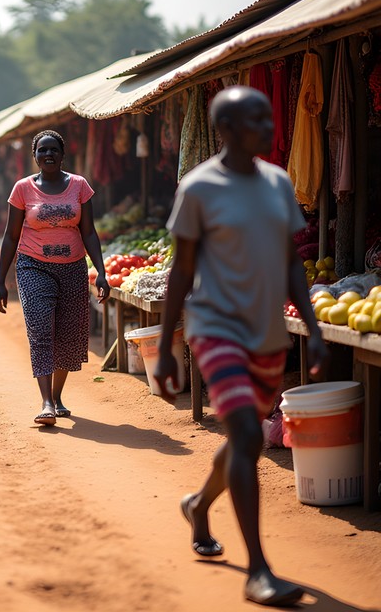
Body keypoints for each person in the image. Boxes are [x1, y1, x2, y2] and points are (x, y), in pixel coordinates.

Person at [154, 86, 326, 608]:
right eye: (256, 120)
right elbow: (182, 269)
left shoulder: (277, 182)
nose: (269, 127)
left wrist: (314, 328)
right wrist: (166, 345)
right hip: (216, 327)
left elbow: (292, 263)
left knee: (244, 439)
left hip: (267, 330)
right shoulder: (200, 188)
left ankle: (198, 505)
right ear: (226, 129)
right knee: (249, 433)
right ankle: (258, 570)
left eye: (268, 117)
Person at [0, 130, 109, 426]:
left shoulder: (80, 186)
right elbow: (10, 237)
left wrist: (102, 273)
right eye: (42, 150)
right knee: (41, 330)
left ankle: (57, 396)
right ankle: (45, 402)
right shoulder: (22, 189)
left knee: (68, 337)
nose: (48, 155)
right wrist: (0, 282)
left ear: (62, 154)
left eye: (53, 150)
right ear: (34, 156)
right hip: (33, 266)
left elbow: (89, 232)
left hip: (72, 267)